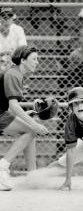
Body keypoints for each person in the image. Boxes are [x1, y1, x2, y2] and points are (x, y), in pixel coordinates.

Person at [0, 45, 49, 191]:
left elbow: (8, 106)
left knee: (29, 133)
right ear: (22, 60)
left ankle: (32, 176)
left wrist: (24, 118)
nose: (37, 62)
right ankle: (2, 168)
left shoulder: (15, 73)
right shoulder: (14, 74)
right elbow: (14, 106)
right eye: (34, 59)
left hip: (1, 112)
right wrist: (34, 124)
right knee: (30, 131)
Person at [0, 7, 27, 73]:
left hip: (13, 61)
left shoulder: (18, 29)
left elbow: (22, 48)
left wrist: (11, 54)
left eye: (9, 17)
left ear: (13, 18)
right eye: (4, 17)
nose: (6, 20)